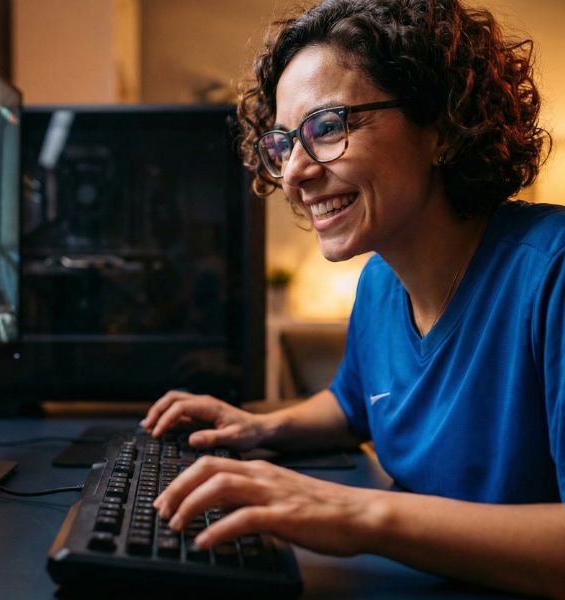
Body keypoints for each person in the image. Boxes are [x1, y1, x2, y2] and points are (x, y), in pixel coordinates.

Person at [142, 0, 565, 597]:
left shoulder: (551, 273)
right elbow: (353, 407)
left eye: (327, 127)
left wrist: (355, 514)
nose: (294, 173)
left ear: (441, 127)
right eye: (285, 142)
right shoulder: (381, 283)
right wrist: (258, 430)